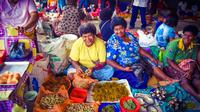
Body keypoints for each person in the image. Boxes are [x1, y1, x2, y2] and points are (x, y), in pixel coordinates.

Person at [106, 16, 174, 89]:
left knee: (153, 63)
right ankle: (148, 76)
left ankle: (168, 79)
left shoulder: (130, 36)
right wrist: (123, 69)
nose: (119, 31)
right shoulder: (112, 41)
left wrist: (150, 57)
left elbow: (139, 49)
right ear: (113, 30)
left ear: (124, 27)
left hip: (138, 60)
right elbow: (109, 61)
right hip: (124, 67)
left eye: (121, 28)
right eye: (116, 29)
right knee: (139, 82)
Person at [163, 25, 200, 100]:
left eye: (190, 36)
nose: (187, 37)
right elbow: (169, 61)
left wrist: (190, 71)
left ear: (195, 37)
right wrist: (183, 72)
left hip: (185, 65)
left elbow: (193, 60)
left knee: (196, 76)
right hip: (170, 66)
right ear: (182, 34)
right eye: (185, 35)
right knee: (184, 79)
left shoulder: (195, 45)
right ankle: (197, 96)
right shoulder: (174, 44)